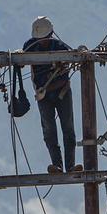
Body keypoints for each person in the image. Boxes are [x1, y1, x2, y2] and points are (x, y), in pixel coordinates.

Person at [23, 16, 82, 174]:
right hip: (43, 95)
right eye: (39, 39)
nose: (41, 42)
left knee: (68, 129)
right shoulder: (30, 46)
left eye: (44, 39)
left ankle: (70, 166)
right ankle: (57, 165)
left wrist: (63, 63)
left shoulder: (60, 46)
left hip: (62, 92)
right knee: (49, 130)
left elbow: (70, 61)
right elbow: (21, 61)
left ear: (51, 35)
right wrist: (17, 57)